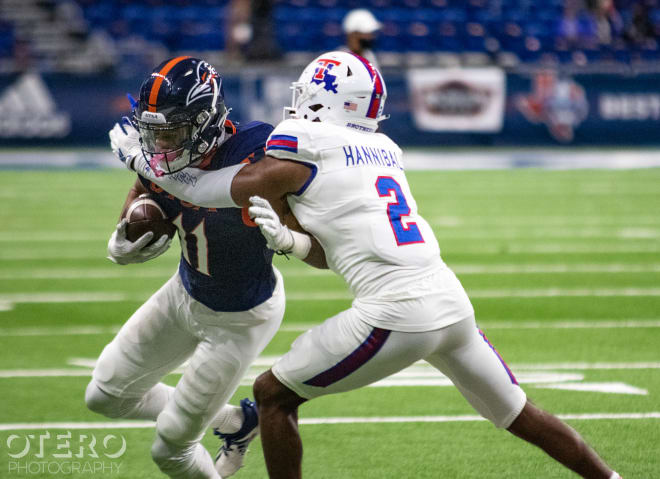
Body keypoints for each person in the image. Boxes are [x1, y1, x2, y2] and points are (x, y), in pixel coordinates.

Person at [116, 51, 622, 479]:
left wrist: (140, 162)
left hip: (395, 311)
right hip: (449, 299)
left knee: (272, 395)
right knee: (519, 413)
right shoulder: (384, 149)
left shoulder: (303, 141)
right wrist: (291, 242)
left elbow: (215, 190)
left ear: (323, 98)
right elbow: (339, 248)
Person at [87, 56, 285, 479]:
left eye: (172, 133)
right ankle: (237, 421)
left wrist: (141, 164)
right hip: (184, 291)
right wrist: (126, 227)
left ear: (206, 120)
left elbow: (213, 190)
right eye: (152, 135)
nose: (160, 148)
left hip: (240, 317)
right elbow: (148, 184)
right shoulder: (161, 157)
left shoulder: (257, 149)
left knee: (170, 448)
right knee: (104, 396)